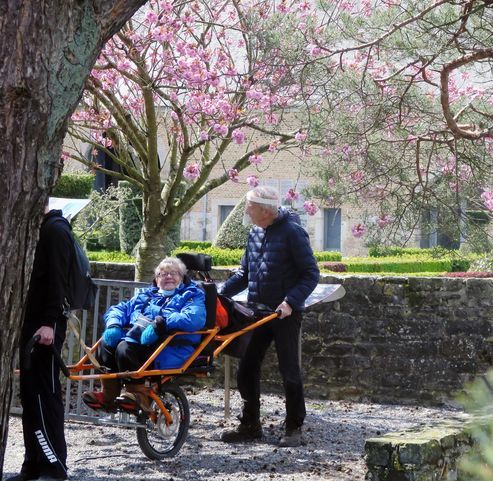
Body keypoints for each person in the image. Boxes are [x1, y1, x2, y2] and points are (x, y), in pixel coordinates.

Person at [219, 186, 320, 447]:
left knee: (289, 371)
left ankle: (294, 427)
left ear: (265, 210)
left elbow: (310, 273)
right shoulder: (254, 232)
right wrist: (219, 293)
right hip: (257, 312)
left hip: (284, 313)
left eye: (249, 206)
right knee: (246, 369)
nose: (246, 211)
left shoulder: (293, 233)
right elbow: (244, 275)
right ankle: (250, 425)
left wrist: (290, 301)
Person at [81, 257, 205, 413]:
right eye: (163, 274)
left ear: (181, 277)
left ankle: (140, 396)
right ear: (156, 279)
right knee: (105, 344)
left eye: (173, 273)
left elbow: (194, 318)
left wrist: (161, 323)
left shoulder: (192, 295)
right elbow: (119, 309)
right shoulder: (146, 294)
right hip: (140, 339)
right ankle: (109, 396)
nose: (168, 276)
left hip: (171, 345)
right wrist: (114, 324)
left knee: (125, 348)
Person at [11, 208, 74, 481]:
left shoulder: (55, 230)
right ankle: (33, 464)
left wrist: (49, 322)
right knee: (30, 395)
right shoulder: (41, 230)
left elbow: (59, 281)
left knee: (44, 394)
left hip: (45, 327)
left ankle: (54, 466)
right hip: (33, 324)